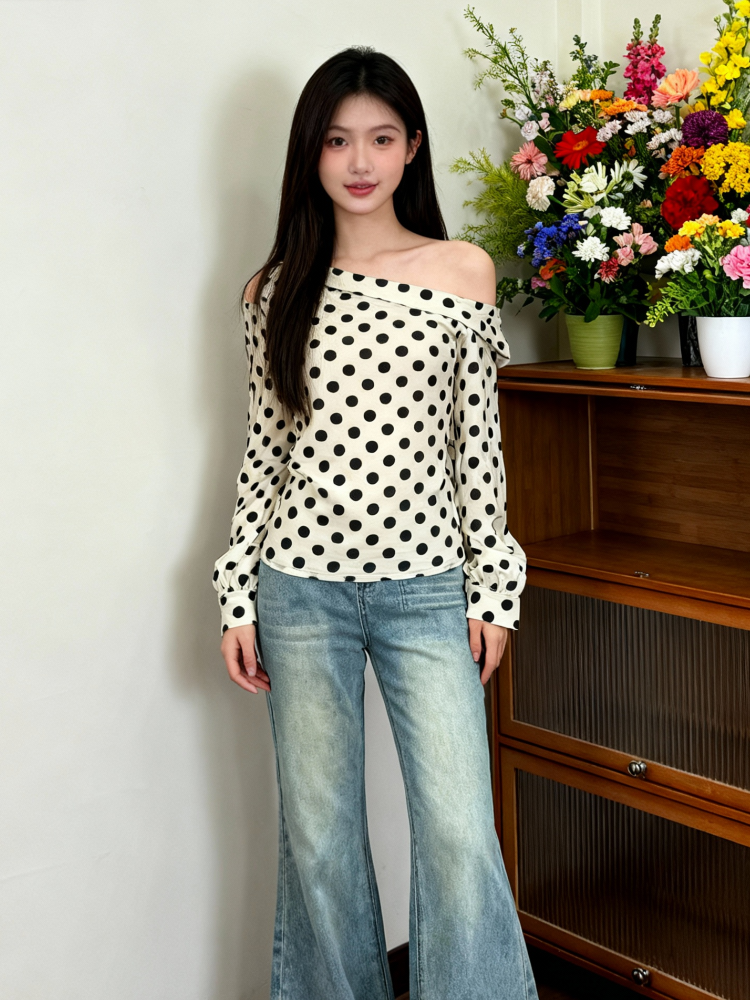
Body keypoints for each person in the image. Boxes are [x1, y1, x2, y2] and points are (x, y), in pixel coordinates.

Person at [212, 45, 538, 1000]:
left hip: (428, 587)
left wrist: (495, 589)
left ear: (412, 149)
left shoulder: (461, 271)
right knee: (318, 839)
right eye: (337, 140)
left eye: (381, 139)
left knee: (458, 831)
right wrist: (237, 595)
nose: (359, 161)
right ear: (310, 153)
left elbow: (479, 448)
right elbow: (267, 451)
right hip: (298, 590)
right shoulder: (274, 288)